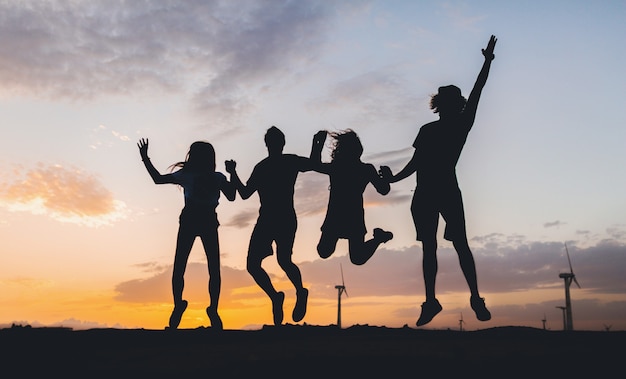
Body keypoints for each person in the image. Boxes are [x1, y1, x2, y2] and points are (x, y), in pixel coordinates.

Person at [380, 35, 497, 326]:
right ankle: (433, 301)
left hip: (443, 191)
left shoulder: (460, 124)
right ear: (443, 104)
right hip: (427, 194)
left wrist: (487, 63)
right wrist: (393, 177)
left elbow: (479, 89)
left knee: (457, 245)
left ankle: (472, 298)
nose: (449, 105)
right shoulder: (430, 129)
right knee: (434, 247)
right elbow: (415, 164)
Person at [226, 126, 321, 326]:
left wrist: (233, 173)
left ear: (270, 144)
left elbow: (243, 193)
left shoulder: (275, 164)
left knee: (278, 262)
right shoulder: (273, 164)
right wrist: (316, 144)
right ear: (278, 143)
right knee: (269, 263)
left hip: (278, 218)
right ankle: (280, 296)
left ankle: (296, 292)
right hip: (273, 219)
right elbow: (312, 164)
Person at [138, 138, 235, 330]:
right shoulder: (213, 177)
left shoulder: (204, 176)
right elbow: (231, 196)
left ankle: (186, 307)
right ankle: (205, 309)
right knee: (211, 268)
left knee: (183, 266)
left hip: (195, 219)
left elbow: (158, 179)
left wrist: (145, 158)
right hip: (200, 219)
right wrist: (145, 158)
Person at [311, 129, 393, 266]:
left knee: (351, 257)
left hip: (344, 216)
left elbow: (314, 165)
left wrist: (316, 145)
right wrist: (386, 177)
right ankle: (379, 238)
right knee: (327, 251)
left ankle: (379, 238)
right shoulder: (361, 169)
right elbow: (384, 190)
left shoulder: (343, 167)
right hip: (344, 216)